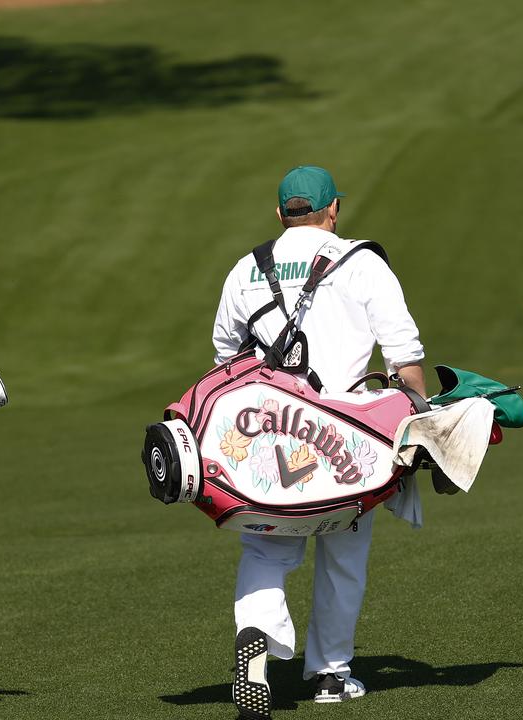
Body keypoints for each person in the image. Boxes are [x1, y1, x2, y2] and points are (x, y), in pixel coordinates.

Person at [212, 166, 426, 717]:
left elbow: (225, 365)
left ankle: (256, 637)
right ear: (334, 211)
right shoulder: (362, 263)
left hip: (265, 437)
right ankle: (331, 674)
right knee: (343, 554)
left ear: (280, 213)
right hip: (347, 436)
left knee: (265, 545)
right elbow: (402, 356)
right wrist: (417, 426)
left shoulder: (245, 269)